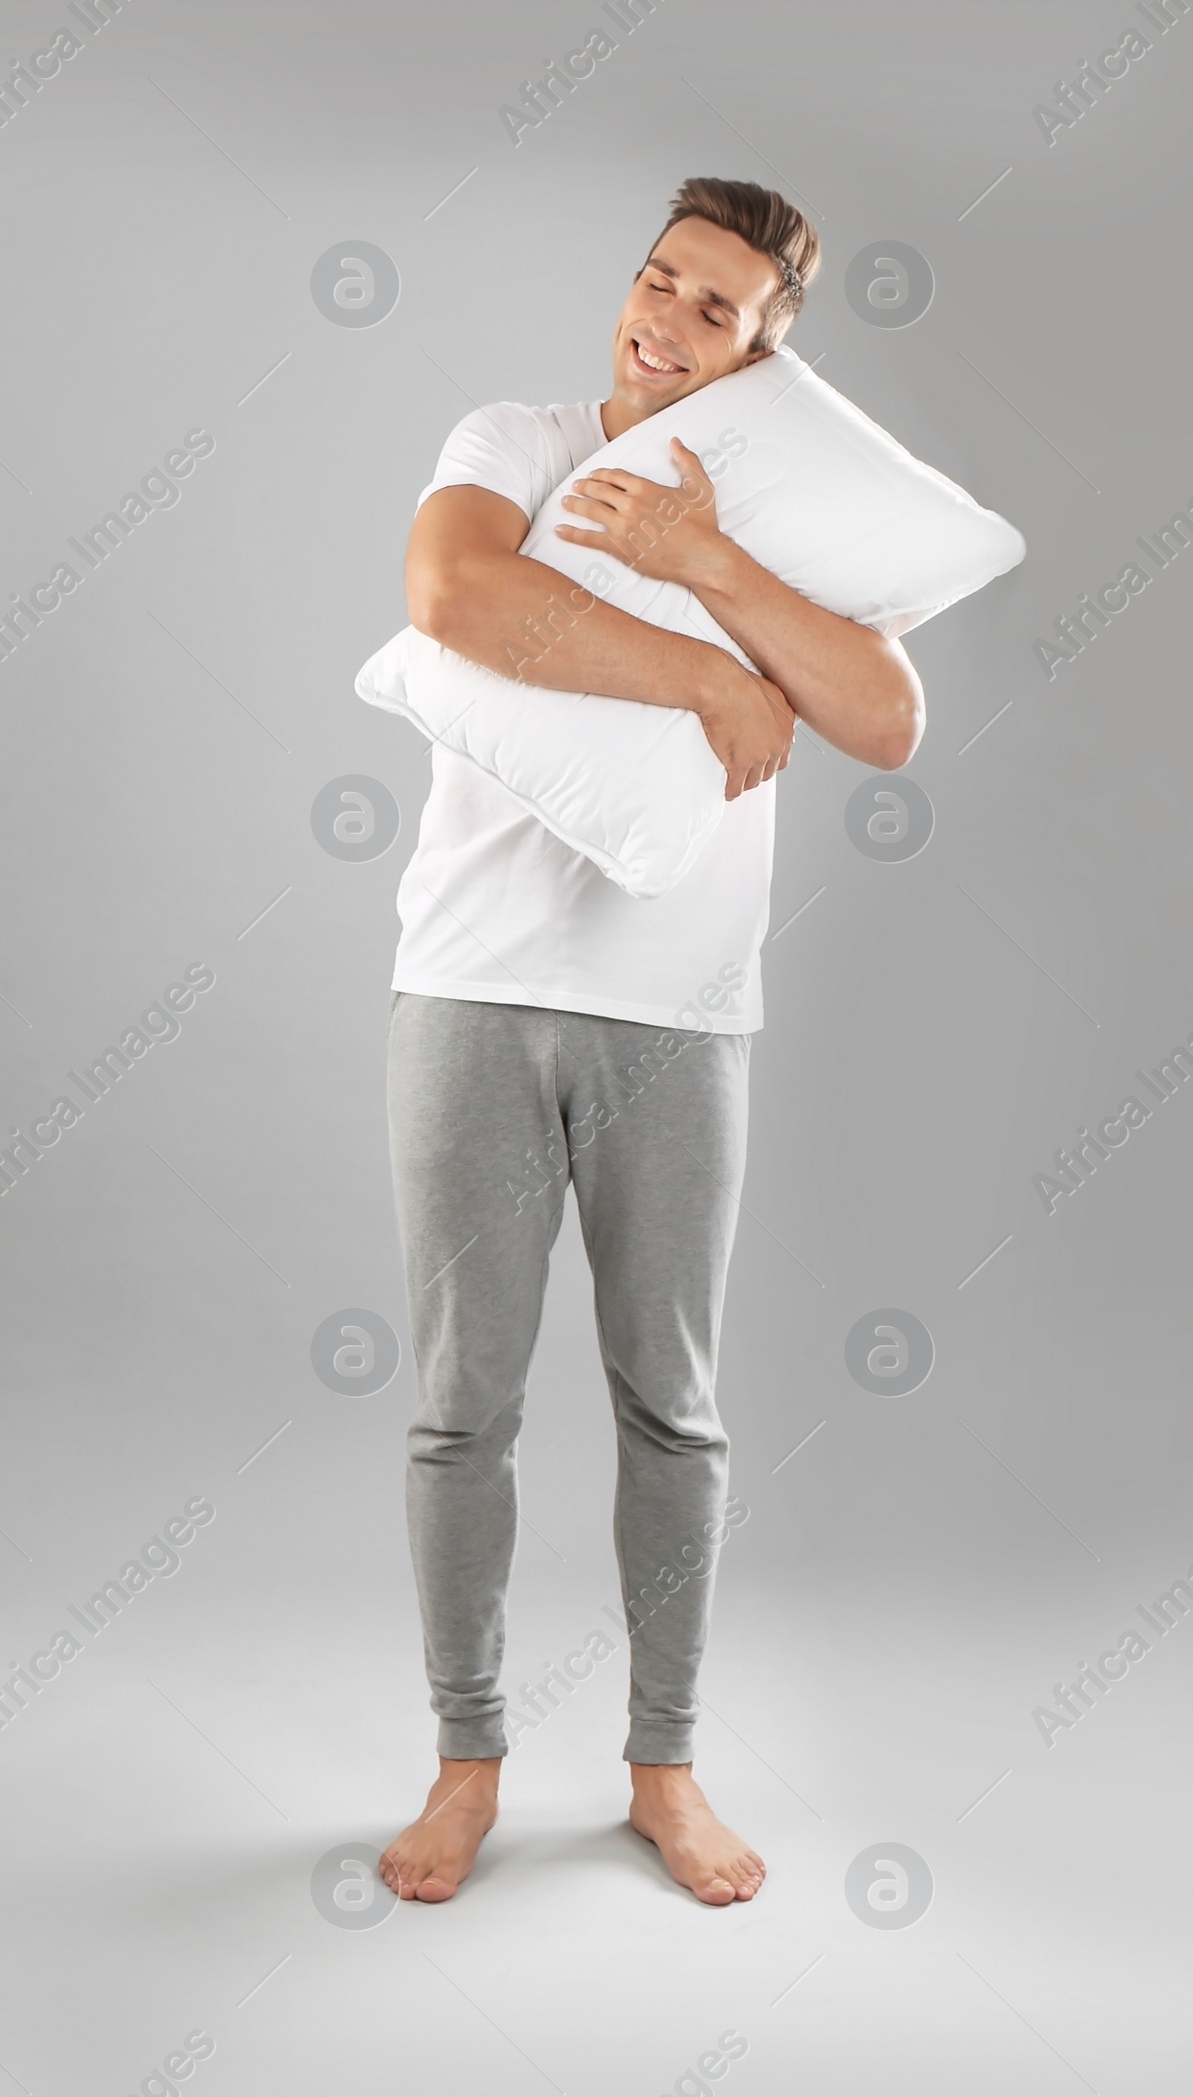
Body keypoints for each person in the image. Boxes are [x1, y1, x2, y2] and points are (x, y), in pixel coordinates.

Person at [378, 177, 924, 1907]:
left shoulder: (796, 518)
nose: (663, 320)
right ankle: (466, 1764)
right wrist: (696, 673)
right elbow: (456, 598)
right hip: (470, 987)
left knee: (671, 1409)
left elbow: (885, 721)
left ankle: (663, 1771)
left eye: (713, 308)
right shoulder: (519, 437)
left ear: (768, 346)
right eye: (656, 279)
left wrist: (706, 567)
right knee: (461, 1407)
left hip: (682, 1015)